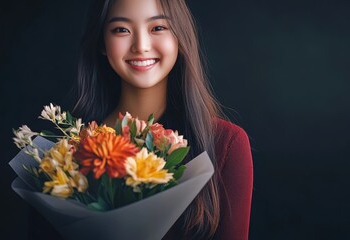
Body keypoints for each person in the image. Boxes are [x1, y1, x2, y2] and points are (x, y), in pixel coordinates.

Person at [27, 0, 252, 239]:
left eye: (158, 28)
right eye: (121, 30)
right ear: (102, 42)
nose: (141, 46)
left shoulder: (224, 144)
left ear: (180, 36)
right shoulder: (62, 153)